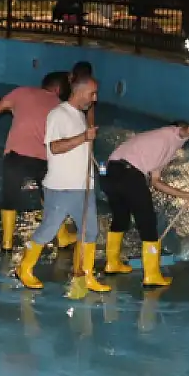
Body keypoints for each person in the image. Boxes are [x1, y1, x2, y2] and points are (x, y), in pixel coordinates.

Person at [101, 122, 189, 285]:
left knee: (121, 218)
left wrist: (186, 195)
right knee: (147, 223)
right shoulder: (171, 133)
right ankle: (152, 276)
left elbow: (156, 182)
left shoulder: (157, 147)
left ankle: (112, 264)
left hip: (109, 173)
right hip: (129, 173)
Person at [16, 76, 110, 293]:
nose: (94, 98)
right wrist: (84, 136)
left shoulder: (79, 115)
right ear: (78, 92)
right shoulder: (59, 114)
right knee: (48, 230)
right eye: (92, 94)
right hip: (61, 187)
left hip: (82, 186)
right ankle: (25, 268)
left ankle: (86, 275)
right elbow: (55, 147)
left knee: (90, 232)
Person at [0, 71, 77, 251]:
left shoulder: (22, 92)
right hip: (43, 158)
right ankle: (62, 236)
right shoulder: (61, 106)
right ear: (58, 89)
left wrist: (13, 108)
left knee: (9, 197)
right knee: (50, 197)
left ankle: (7, 243)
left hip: (15, 154)